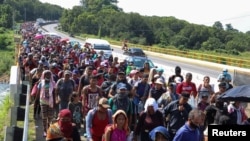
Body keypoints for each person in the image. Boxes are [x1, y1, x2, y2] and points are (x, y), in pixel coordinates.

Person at [36, 70, 56, 137]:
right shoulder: (41, 83)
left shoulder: (53, 83)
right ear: (44, 76)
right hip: (43, 101)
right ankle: (45, 130)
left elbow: (54, 93)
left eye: (49, 74)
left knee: (50, 117)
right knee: (44, 117)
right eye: (46, 74)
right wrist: (36, 101)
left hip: (50, 102)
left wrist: (55, 102)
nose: (48, 76)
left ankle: (49, 130)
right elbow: (38, 92)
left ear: (51, 76)